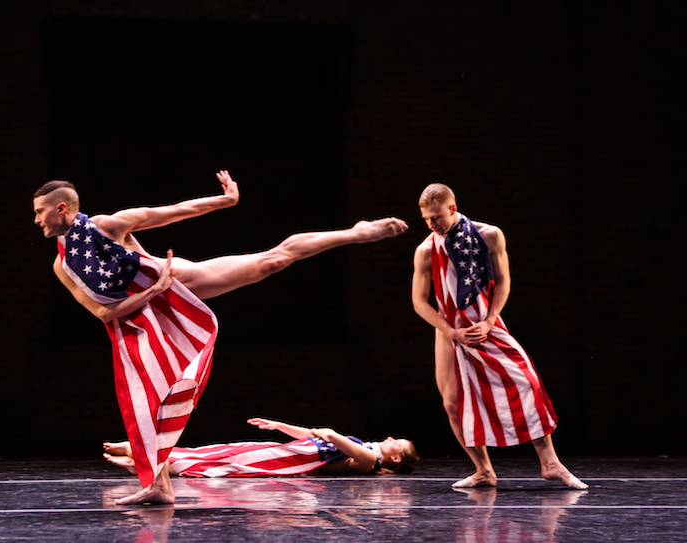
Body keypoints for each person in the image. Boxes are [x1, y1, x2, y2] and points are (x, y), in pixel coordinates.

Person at [32, 171, 408, 504]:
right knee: (145, 405)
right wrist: (149, 292)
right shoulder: (63, 264)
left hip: (179, 284)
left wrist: (226, 200)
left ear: (61, 208)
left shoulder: (108, 226)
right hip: (140, 323)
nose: (36, 220)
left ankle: (355, 233)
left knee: (272, 261)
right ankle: (158, 486)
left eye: (39, 212)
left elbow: (174, 211)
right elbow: (102, 312)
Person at [411, 183, 587, 490]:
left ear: (453, 208)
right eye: (426, 219)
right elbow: (418, 301)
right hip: (451, 331)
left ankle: (550, 463)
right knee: (452, 403)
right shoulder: (426, 250)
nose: (431, 224)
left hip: (485, 324)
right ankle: (483, 471)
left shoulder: (489, 235)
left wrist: (490, 321)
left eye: (436, 217)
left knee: (527, 382)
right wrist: (452, 332)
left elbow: (504, 282)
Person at [103, 417, 419, 477]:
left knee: (217, 462)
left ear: (394, 456)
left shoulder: (366, 461)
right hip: (286, 452)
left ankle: (137, 455)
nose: (390, 439)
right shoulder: (362, 449)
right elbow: (313, 436)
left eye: (397, 443)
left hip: (286, 462)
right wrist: (279, 426)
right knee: (216, 452)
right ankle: (139, 459)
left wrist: (333, 434)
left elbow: (329, 438)